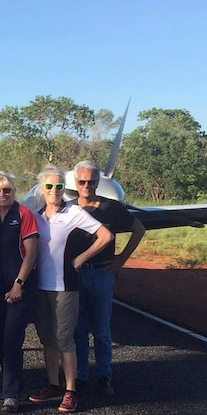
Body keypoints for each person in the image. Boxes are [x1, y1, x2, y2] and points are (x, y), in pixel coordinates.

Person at [28, 164, 112, 413]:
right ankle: (53, 385)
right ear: (42, 189)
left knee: (65, 339)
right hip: (40, 288)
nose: (54, 190)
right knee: (47, 339)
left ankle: (70, 390)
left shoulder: (73, 212)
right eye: (50, 186)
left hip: (65, 287)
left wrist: (81, 259)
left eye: (59, 186)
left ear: (65, 189)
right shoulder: (36, 215)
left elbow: (105, 236)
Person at [69, 160, 146, 396]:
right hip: (75, 276)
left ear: (98, 183)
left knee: (101, 329)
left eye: (91, 182)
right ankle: (80, 375)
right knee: (78, 330)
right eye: (82, 181)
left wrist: (121, 259)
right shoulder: (68, 208)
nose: (86, 186)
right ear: (76, 182)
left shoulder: (112, 208)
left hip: (102, 273)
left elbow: (139, 229)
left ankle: (104, 376)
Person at [0, 174, 39, 412]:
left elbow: (31, 253)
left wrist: (19, 284)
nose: (2, 195)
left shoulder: (24, 215)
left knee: (12, 339)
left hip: (20, 288)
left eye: (6, 190)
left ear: (14, 191)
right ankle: (16, 386)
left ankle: (11, 394)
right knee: (0, 339)